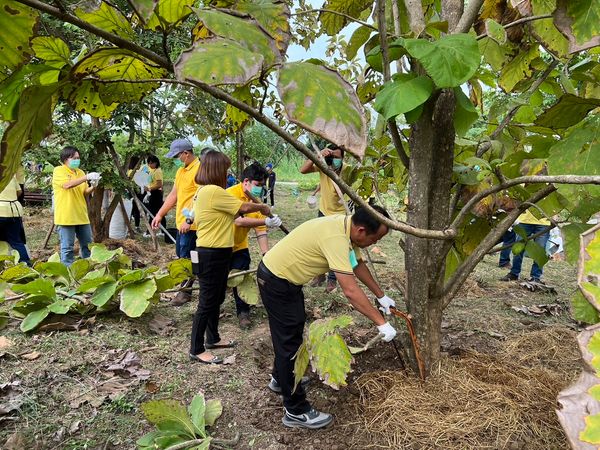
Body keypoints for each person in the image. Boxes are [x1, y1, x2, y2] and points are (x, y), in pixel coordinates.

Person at [257, 205, 397, 429]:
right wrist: (381, 323)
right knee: (288, 342)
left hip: (285, 280)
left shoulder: (345, 228)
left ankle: (280, 378)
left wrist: (381, 295)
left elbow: (356, 265)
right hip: (277, 281)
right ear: (361, 231)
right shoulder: (336, 238)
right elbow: (350, 291)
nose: (376, 244)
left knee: (290, 334)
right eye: (376, 239)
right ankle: (295, 410)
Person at [189, 150, 271, 364]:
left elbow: (236, 214)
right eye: (224, 170)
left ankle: (213, 338)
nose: (226, 174)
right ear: (216, 170)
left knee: (216, 298)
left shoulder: (208, 192)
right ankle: (196, 348)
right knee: (207, 302)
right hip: (211, 254)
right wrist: (262, 207)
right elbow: (243, 207)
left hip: (218, 252)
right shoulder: (213, 191)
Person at [227, 163, 282, 328]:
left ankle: (243, 312)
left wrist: (266, 255)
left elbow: (260, 230)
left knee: (242, 278)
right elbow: (238, 221)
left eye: (262, 185)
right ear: (246, 182)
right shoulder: (229, 195)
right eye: (257, 185)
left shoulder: (257, 202)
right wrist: (265, 219)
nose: (259, 189)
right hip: (220, 246)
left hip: (240, 246)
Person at [151, 139, 200, 306]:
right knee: (182, 254)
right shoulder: (181, 171)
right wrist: (159, 214)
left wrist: (190, 219)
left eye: (178, 156)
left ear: (186, 153)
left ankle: (185, 291)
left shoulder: (200, 170)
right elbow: (174, 195)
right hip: (181, 223)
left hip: (192, 224)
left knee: (187, 256)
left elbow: (200, 198)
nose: (177, 159)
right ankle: (187, 285)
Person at [299, 143, 347, 292]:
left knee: (336, 247)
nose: (334, 159)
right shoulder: (324, 166)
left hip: (341, 215)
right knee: (319, 244)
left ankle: (332, 280)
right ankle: (320, 275)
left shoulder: (348, 170)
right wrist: (318, 155)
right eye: (331, 156)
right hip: (324, 211)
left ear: (343, 158)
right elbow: (303, 170)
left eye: (336, 157)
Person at [52, 146, 100, 266]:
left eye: (78, 158)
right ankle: (68, 275)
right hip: (66, 216)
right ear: (65, 159)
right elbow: (67, 185)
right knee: (67, 248)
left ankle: (87, 270)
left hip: (81, 215)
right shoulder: (59, 170)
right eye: (74, 158)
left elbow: (84, 192)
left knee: (88, 245)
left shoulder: (80, 172)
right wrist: (86, 177)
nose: (77, 160)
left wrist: (93, 186)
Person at [500, 209, 551, 283]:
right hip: (525, 220)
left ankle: (535, 277)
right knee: (519, 248)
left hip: (544, 222)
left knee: (540, 251)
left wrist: (555, 216)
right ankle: (514, 273)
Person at [0, 175, 30, 264]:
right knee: (16, 241)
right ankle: (27, 265)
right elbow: (19, 192)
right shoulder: (10, 175)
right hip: (14, 211)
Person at [144, 155, 166, 231]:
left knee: (154, 211)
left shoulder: (157, 171)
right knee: (156, 211)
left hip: (156, 193)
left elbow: (159, 184)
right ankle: (161, 230)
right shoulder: (152, 170)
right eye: (149, 163)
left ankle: (150, 231)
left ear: (156, 163)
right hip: (153, 193)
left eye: (151, 163)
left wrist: (149, 188)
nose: (150, 165)